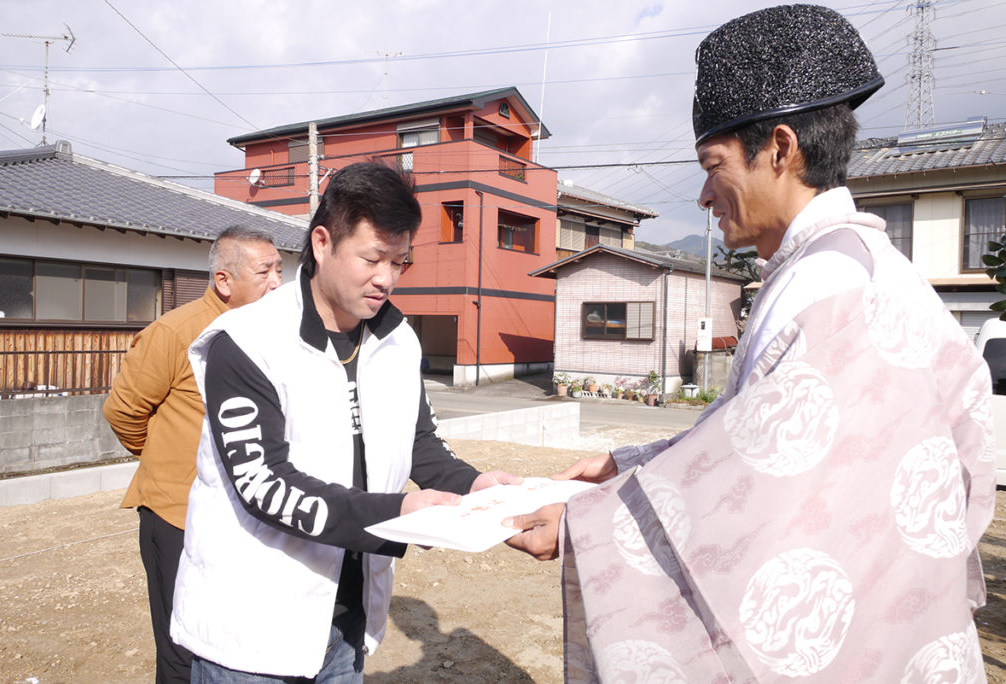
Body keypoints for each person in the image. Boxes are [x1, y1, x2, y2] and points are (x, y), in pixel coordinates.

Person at [506, 6, 997, 682]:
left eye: (714, 166)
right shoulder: (868, 268)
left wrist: (588, 526)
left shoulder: (829, 288)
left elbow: (760, 495)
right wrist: (627, 462)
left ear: (781, 149)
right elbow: (755, 441)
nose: (705, 195)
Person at [170, 162, 520, 682]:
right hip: (250, 627)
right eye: (372, 258)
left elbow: (419, 442)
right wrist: (398, 513)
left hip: (345, 621)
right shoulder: (246, 341)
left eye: (399, 261)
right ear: (322, 243)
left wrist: (473, 485)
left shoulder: (398, 340)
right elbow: (264, 485)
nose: (387, 278)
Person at [103, 225, 283, 683]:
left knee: (232, 638)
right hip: (176, 512)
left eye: (280, 271)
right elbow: (124, 411)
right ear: (224, 281)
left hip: (242, 514)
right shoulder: (175, 331)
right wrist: (164, 460)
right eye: (265, 272)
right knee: (182, 644)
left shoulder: (271, 332)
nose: (277, 283)